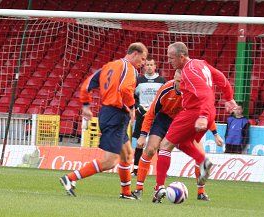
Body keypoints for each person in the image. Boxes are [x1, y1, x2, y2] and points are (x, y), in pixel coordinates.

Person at [59, 42, 148, 199]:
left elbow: (87, 84)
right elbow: (125, 89)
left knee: (127, 154)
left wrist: (86, 105)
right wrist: (133, 107)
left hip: (109, 113)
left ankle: (126, 192)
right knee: (110, 162)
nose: (142, 64)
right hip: (116, 114)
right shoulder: (130, 69)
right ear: (134, 54)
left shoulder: (109, 66)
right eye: (142, 59)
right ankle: (70, 178)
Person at [152, 42, 237, 203]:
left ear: (181, 56)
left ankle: (159, 188)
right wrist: (229, 97)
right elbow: (221, 78)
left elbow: (205, 94)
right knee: (183, 143)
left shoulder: (188, 72)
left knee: (165, 146)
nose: (169, 61)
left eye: (171, 58)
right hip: (208, 111)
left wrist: (203, 116)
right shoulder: (200, 64)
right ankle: (202, 160)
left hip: (195, 112)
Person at [132, 69, 224, 201]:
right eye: (178, 81)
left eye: (184, 82)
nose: (181, 85)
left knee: (199, 151)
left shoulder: (192, 92)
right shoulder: (165, 89)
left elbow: (204, 112)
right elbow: (152, 112)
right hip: (163, 119)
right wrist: (143, 134)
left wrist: (215, 133)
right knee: (151, 149)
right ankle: (139, 189)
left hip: (182, 121)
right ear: (173, 79)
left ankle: (201, 192)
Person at [132, 57, 166, 176]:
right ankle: (135, 168)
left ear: (155, 66)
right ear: (144, 66)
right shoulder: (139, 80)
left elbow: (165, 98)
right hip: (142, 114)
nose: (149, 67)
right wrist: (138, 107)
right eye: (147, 65)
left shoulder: (162, 81)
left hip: (157, 115)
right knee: (139, 142)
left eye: (151, 64)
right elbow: (132, 97)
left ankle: (161, 170)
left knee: (160, 142)